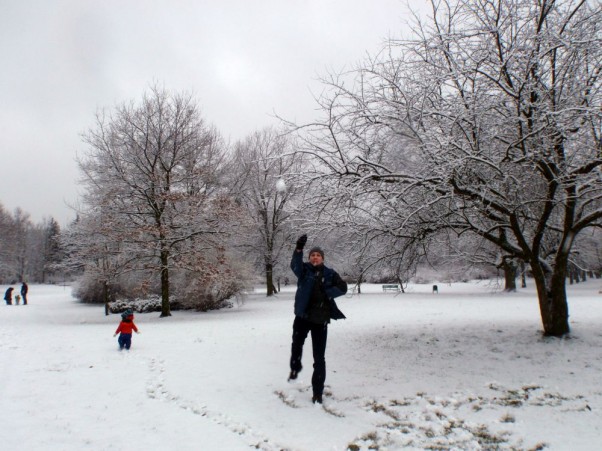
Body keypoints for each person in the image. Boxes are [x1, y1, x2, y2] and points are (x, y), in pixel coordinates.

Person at [288, 234, 348, 404]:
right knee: (297, 344)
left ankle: (317, 392)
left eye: (318, 255)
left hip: (320, 320)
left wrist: (328, 293)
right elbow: (294, 265)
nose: (315, 257)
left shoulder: (330, 273)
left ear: (322, 258)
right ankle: (295, 367)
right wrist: (299, 249)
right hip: (302, 317)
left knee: (319, 357)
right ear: (309, 258)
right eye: (312, 255)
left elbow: (343, 287)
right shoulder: (304, 270)